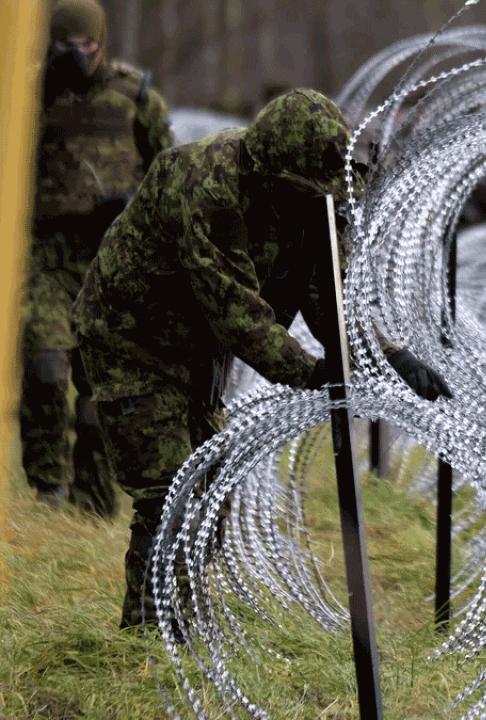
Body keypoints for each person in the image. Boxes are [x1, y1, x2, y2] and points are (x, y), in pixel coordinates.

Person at [72, 89, 452, 630]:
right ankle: (151, 632)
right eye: (308, 193)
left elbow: (331, 301)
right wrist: (312, 373)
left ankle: (184, 608)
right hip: (132, 336)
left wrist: (389, 354)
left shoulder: (314, 202)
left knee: (211, 485)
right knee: (168, 488)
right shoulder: (207, 185)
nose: (322, 203)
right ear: (275, 176)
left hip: (198, 346)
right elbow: (237, 312)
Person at [23, 0, 173, 516]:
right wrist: (41, 90)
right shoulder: (27, 94)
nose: (75, 56)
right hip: (47, 258)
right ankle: (48, 487)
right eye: (63, 46)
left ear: (102, 43)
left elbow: (168, 173)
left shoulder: (135, 97)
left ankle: (93, 499)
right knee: (45, 367)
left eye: (83, 46)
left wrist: (132, 208)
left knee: (99, 389)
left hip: (108, 263)